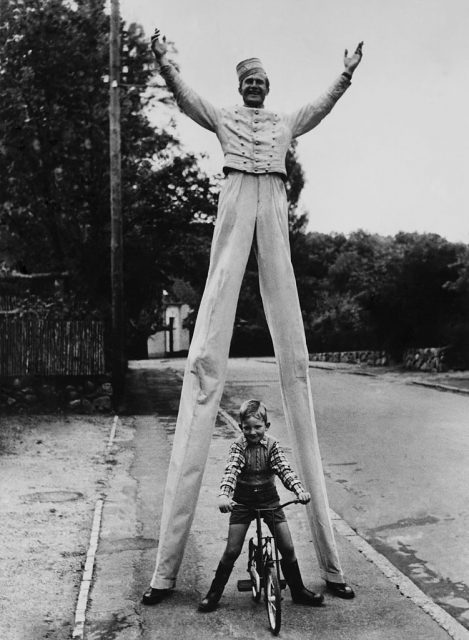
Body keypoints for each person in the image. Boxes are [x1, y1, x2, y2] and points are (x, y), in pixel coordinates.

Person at [142, 28, 363, 606]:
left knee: (294, 349)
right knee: (208, 341)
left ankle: (331, 568)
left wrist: (344, 76)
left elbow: (318, 108)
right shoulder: (226, 118)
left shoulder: (285, 122)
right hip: (237, 194)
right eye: (250, 82)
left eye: (263, 81)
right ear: (241, 88)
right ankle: (164, 574)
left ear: (270, 87)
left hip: (274, 197)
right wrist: (166, 63)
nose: (258, 87)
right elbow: (190, 100)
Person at [199, 399, 323, 612]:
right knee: (231, 550)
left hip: (269, 501)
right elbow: (231, 471)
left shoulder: (273, 445)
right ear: (241, 428)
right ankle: (214, 594)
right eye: (247, 428)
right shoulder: (238, 446)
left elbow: (284, 469)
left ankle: (298, 590)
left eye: (258, 427)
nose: (253, 432)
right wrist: (224, 496)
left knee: (288, 548)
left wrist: (298, 490)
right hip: (242, 503)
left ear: (267, 426)